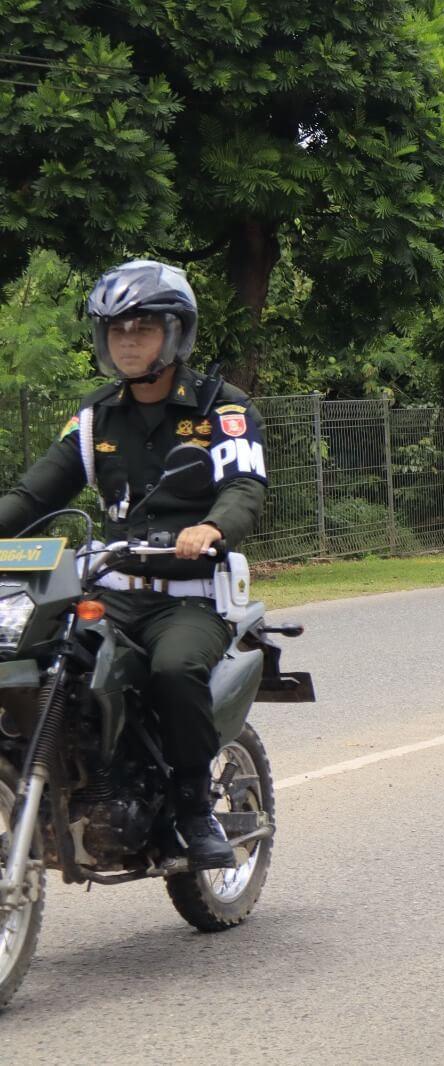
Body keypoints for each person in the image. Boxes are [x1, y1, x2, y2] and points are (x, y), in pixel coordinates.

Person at [0, 260, 268, 870]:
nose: (127, 341)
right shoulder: (96, 417)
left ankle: (194, 810)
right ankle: (76, 776)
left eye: (142, 328)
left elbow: (244, 487)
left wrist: (211, 527)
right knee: (41, 659)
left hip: (190, 595)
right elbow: (33, 496)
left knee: (175, 668)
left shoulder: (221, 409)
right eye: (116, 330)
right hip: (112, 589)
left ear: (175, 334)